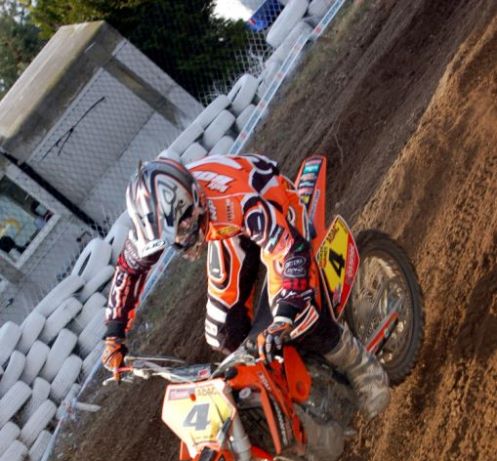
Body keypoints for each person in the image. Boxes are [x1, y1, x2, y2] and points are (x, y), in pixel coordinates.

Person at [102, 154, 390, 418]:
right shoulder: (153, 227)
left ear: (194, 198)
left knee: (297, 312)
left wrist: (283, 318)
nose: (183, 239)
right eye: (174, 236)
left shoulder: (238, 202)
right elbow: (128, 271)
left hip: (274, 208)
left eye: (186, 226)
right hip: (224, 231)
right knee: (222, 332)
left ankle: (361, 366)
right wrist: (114, 336)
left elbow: (292, 252)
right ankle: (283, 387)